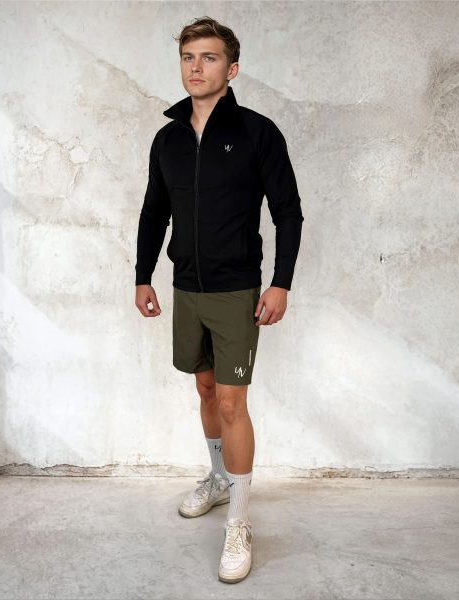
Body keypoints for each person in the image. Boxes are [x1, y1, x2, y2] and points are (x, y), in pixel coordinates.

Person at [134, 16, 304, 583]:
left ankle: (239, 520)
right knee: (205, 389)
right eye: (188, 57)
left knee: (232, 402)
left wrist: (280, 282)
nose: (196, 67)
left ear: (231, 70)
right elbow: (154, 212)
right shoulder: (168, 139)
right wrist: (143, 276)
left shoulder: (258, 132)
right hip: (186, 287)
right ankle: (218, 478)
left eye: (208, 58)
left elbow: (287, 212)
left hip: (236, 289)